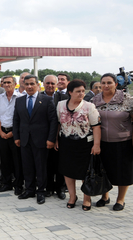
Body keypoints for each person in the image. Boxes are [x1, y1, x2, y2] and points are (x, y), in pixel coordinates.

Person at [55, 79, 101, 211]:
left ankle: (87, 198)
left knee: (85, 172)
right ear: (70, 92)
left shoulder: (89, 106)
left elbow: (96, 126)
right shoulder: (60, 105)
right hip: (66, 143)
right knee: (68, 171)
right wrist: (56, 139)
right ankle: (72, 196)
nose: (81, 94)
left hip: (84, 144)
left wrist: (96, 145)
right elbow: (58, 123)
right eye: (78, 91)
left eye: (82, 91)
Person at [13, 75, 58, 205]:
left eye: (32, 84)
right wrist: (16, 137)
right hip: (24, 139)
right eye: (26, 84)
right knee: (27, 166)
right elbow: (16, 120)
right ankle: (29, 189)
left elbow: (53, 121)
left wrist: (51, 139)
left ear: (38, 85)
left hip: (41, 140)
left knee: (41, 167)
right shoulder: (19, 101)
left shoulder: (47, 100)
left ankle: (41, 191)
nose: (29, 87)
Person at [92, 73, 133, 211]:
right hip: (102, 142)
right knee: (104, 170)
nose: (106, 85)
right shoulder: (95, 100)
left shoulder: (127, 99)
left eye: (109, 83)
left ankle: (120, 199)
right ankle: (105, 196)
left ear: (116, 84)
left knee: (123, 172)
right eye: (103, 83)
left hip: (123, 141)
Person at [0, 76, 24, 195]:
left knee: (17, 161)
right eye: (4, 82)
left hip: (15, 133)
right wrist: (0, 131)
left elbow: (22, 118)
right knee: (4, 160)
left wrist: (13, 133)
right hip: (2, 132)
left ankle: (18, 185)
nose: (6, 84)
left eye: (9, 82)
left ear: (15, 84)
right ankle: (6, 183)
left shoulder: (20, 98)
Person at [47, 73, 69, 199]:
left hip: (60, 137)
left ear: (57, 85)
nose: (50, 85)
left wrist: (56, 138)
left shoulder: (64, 98)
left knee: (60, 164)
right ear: (44, 85)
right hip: (44, 137)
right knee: (48, 164)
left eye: (52, 83)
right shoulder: (39, 97)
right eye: (48, 83)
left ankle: (60, 188)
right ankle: (49, 188)